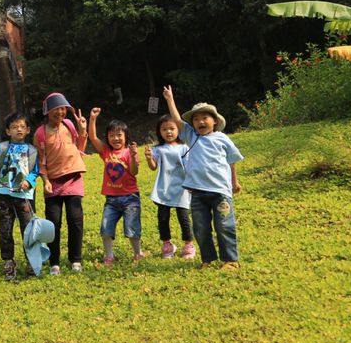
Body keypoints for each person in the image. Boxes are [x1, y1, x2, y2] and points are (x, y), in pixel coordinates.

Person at [163, 86, 244, 269]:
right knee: (201, 228)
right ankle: (208, 259)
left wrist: (235, 181)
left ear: (214, 121)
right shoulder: (192, 137)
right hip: (198, 193)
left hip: (221, 192)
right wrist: (170, 99)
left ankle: (231, 260)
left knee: (224, 226)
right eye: (196, 119)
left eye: (204, 118)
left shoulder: (222, 139)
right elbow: (177, 120)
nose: (200, 121)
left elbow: (232, 161)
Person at [34, 92, 88, 274]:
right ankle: (54, 262)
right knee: (53, 222)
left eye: (63, 108)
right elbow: (41, 161)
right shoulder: (40, 134)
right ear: (47, 111)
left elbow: (80, 147)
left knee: (75, 220)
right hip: (53, 183)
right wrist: (45, 180)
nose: (60, 112)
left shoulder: (69, 124)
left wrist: (82, 130)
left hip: (73, 178)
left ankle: (76, 260)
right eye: (56, 109)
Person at [88, 108, 144, 265]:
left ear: (126, 137)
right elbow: (92, 137)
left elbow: (134, 171)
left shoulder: (129, 153)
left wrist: (133, 157)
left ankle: (138, 253)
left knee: (132, 228)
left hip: (130, 198)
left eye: (119, 135)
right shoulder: (106, 152)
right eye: (111, 135)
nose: (115, 138)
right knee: (106, 228)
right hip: (111, 199)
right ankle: (109, 256)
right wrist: (93, 119)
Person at [0, 112, 40, 280]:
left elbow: (36, 171)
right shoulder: (2, 148)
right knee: (5, 230)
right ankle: (8, 262)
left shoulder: (32, 150)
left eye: (22, 126)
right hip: (4, 195)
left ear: (28, 130)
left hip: (25, 196)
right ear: (7, 131)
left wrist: (29, 181)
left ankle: (31, 263)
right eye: (14, 127)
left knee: (28, 230)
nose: (18, 129)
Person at [144, 115, 195, 259]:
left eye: (172, 128)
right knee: (162, 218)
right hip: (164, 188)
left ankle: (188, 245)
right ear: (159, 132)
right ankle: (167, 244)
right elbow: (153, 167)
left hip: (182, 188)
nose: (169, 132)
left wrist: (192, 183)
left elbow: (190, 167)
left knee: (184, 218)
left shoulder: (185, 148)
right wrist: (149, 158)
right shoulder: (158, 149)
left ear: (178, 130)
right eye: (164, 129)